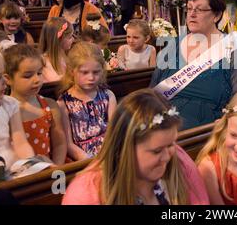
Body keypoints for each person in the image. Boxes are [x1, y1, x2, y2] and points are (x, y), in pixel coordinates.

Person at [62, 88, 209, 205]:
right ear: (125, 147)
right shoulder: (87, 192)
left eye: (171, 144)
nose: (167, 157)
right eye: (156, 151)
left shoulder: (179, 160)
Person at [150, 0, 237, 130]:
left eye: (200, 9)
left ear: (217, 15)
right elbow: (153, 93)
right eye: (189, 8)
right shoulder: (172, 46)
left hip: (206, 133)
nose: (192, 14)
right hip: (165, 127)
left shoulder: (232, 48)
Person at [3, 45, 67, 165]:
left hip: (49, 169)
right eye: (28, 75)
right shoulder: (3, 111)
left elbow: (60, 144)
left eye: (39, 73)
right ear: (8, 79)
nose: (37, 80)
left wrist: (56, 168)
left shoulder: (50, 106)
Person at [57, 41, 117, 161]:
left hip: (109, 152)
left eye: (96, 72)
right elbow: (68, 144)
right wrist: (89, 160)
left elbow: (115, 131)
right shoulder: (63, 103)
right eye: (84, 72)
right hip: (82, 158)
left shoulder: (108, 96)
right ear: (72, 71)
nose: (91, 78)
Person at [0, 47, 35, 168]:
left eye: (3, 75)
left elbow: (21, 144)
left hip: (10, 169)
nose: (4, 81)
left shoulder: (9, 105)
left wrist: (30, 164)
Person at [38, 17, 74, 83]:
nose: (73, 39)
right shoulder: (43, 62)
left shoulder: (67, 57)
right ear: (58, 40)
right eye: (69, 37)